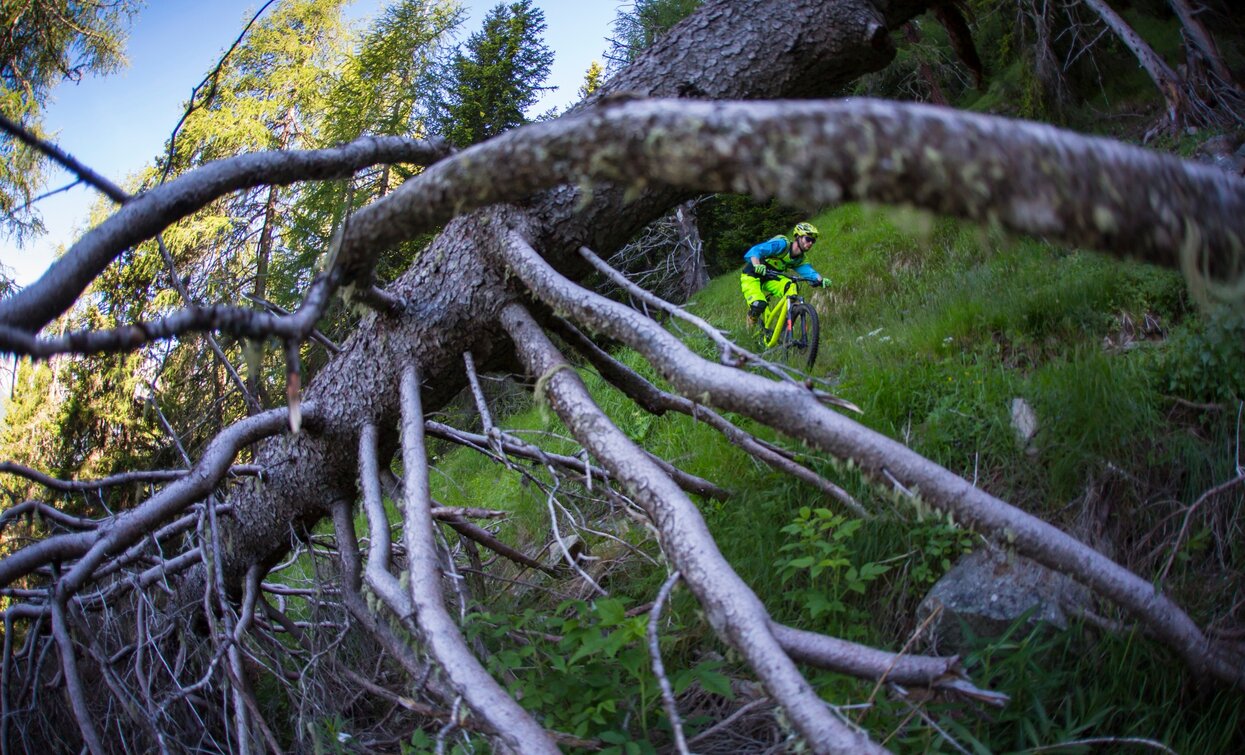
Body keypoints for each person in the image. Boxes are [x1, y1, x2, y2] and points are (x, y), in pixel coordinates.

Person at [739, 221, 828, 327]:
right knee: (758, 304)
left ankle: (786, 325)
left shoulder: (800, 259)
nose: (810, 243)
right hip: (751, 276)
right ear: (798, 237)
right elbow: (756, 250)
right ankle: (750, 324)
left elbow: (809, 272)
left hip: (771, 279)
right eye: (808, 239)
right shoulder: (782, 245)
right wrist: (757, 265)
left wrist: (820, 280)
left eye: (813, 241)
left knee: (791, 286)